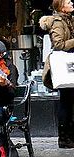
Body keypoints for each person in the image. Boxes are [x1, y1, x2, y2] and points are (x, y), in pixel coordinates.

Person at [40, 0, 74, 148]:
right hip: (66, 67)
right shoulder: (57, 22)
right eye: (68, 1)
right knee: (66, 102)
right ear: (61, 7)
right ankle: (64, 138)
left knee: (69, 102)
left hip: (71, 65)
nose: (72, 2)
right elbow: (59, 44)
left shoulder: (70, 20)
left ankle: (69, 136)